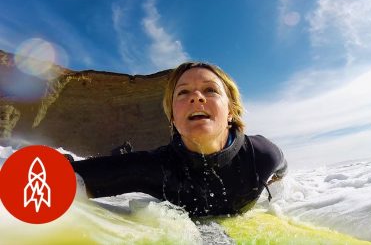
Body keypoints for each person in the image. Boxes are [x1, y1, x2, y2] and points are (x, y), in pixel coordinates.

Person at [70, 62, 287, 217]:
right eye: (183, 93)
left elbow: (281, 170)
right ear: (172, 117)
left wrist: (275, 185)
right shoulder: (157, 168)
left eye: (210, 89)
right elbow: (63, 177)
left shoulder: (261, 156)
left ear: (230, 111)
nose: (196, 97)